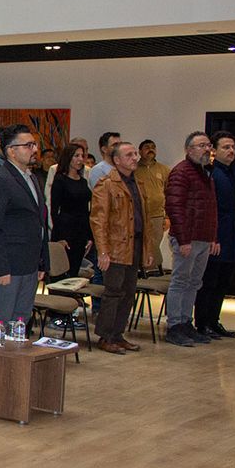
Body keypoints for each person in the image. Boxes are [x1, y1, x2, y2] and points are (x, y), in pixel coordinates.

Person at [89, 141, 156, 355]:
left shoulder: (138, 183)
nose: (135, 158)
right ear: (117, 160)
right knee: (113, 293)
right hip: (115, 247)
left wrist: (147, 249)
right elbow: (98, 221)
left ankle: (118, 334)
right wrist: (103, 251)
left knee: (128, 293)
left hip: (134, 245)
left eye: (135, 154)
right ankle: (106, 336)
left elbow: (144, 219)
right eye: (129, 155)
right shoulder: (106, 184)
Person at [0, 124, 49, 338]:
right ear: (12, 151)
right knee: (1, 320)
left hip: (29, 262)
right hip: (9, 264)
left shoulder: (31, 178)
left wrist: (42, 261)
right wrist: (0, 267)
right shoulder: (0, 179)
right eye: (28, 145)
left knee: (21, 318)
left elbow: (39, 221)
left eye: (34, 144)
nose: (34, 149)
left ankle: (15, 359)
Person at [163, 131, 217, 347]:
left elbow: (210, 208)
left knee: (194, 282)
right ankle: (174, 325)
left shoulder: (205, 172)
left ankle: (186, 322)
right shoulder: (181, 172)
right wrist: (183, 239)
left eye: (208, 145)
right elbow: (174, 207)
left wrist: (212, 237)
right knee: (180, 281)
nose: (207, 149)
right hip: (187, 238)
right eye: (201, 145)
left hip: (203, 238)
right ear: (188, 149)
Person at [195, 131, 235, 340]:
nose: (231, 151)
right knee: (209, 282)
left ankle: (214, 321)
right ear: (214, 151)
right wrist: (213, 237)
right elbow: (210, 209)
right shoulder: (211, 173)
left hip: (232, 236)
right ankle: (202, 323)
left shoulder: (234, 172)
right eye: (226, 147)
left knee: (223, 283)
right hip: (216, 237)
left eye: (233, 147)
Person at [50, 142, 92, 277]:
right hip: (66, 230)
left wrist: (89, 236)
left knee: (74, 271)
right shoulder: (60, 180)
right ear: (68, 157)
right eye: (76, 156)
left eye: (82, 156)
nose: (80, 159)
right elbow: (54, 210)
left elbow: (86, 210)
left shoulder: (83, 181)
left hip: (81, 231)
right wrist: (59, 237)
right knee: (62, 273)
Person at [134, 139, 171, 270]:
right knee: (140, 244)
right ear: (140, 151)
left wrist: (167, 217)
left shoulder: (164, 169)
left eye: (153, 147)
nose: (150, 149)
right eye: (147, 147)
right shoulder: (134, 169)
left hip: (157, 215)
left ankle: (151, 270)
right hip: (139, 215)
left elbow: (169, 193)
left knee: (154, 245)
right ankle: (141, 271)